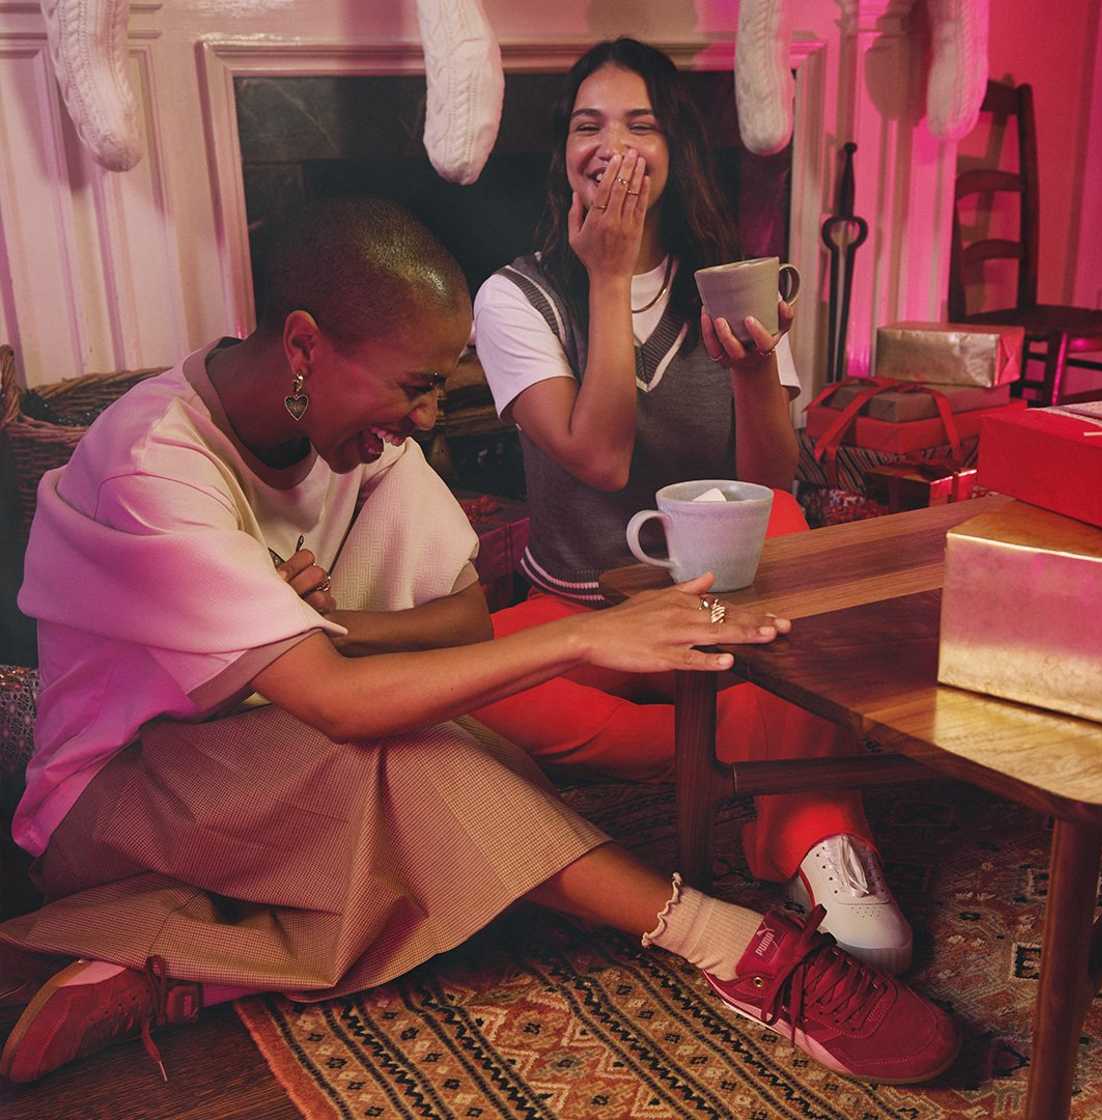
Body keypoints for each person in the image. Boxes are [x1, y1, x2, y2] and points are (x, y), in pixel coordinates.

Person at [0, 197, 956, 1088]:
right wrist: (586, 638)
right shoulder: (152, 465)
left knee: (482, 772)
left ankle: (186, 962)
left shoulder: (352, 435)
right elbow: (335, 702)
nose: (426, 419)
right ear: (303, 346)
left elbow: (459, 617)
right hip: (117, 795)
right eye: (415, 388)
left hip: (267, 755)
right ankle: (742, 950)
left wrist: (324, 628)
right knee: (427, 768)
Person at [472, 38, 912, 973]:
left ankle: (814, 829)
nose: (611, 144)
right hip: (585, 626)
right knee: (456, 692)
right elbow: (599, 459)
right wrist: (605, 276)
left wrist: (755, 369)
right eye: (587, 125)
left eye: (640, 124)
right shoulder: (515, 297)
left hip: (716, 621)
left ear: (675, 151)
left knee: (788, 528)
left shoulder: (732, 281)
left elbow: (771, 482)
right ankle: (750, 745)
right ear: (563, 154)